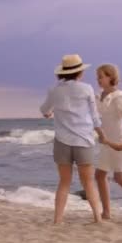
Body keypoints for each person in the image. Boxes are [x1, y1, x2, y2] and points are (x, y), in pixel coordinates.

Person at [40, 54, 105, 224]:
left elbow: (44, 109)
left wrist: (49, 112)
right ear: (79, 72)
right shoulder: (87, 88)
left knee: (64, 182)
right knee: (88, 182)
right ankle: (97, 218)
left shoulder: (54, 90)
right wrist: (102, 134)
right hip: (83, 140)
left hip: (62, 141)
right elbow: (94, 115)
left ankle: (58, 219)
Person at [95, 64, 122, 220]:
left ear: (111, 77)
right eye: (97, 77)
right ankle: (106, 212)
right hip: (106, 141)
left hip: (119, 140)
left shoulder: (120, 97)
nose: (98, 80)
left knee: (120, 178)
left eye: (101, 76)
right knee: (99, 175)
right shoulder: (99, 96)